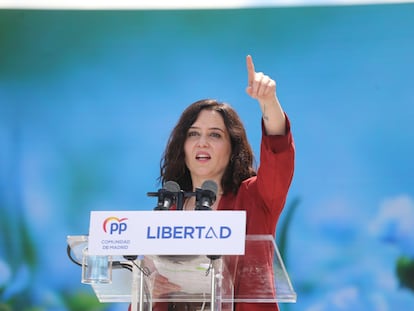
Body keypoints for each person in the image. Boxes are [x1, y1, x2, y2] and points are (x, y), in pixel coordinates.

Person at [131, 55, 295, 311]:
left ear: (233, 148)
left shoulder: (254, 198)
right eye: (193, 134)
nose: (202, 142)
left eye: (215, 135)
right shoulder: (167, 211)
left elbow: (279, 153)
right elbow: (145, 293)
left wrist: (268, 102)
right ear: (182, 148)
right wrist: (150, 286)